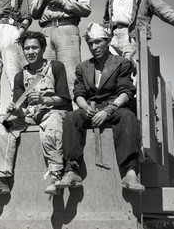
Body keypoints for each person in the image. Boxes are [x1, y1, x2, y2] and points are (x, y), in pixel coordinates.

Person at [0, 31, 72, 195]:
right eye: (27, 48)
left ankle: (56, 175)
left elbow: (64, 99)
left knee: (53, 124)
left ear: (43, 49)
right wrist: (16, 110)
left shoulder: (56, 67)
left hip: (53, 113)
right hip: (30, 116)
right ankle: (0, 178)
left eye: (34, 48)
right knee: (1, 123)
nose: (30, 52)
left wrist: (44, 100)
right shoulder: (20, 76)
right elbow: (22, 110)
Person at [55, 23, 145, 192]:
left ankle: (131, 172)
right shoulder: (83, 67)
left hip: (114, 106)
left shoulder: (122, 63)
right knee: (71, 117)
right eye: (90, 43)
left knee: (128, 117)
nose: (94, 47)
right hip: (91, 107)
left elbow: (126, 92)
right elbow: (79, 93)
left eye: (98, 42)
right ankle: (71, 170)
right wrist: (85, 106)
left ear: (108, 41)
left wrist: (108, 110)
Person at [31, 0, 91, 94]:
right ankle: (47, 111)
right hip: (45, 31)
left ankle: (73, 112)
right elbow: (34, 13)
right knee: (45, 73)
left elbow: (86, 9)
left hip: (67, 30)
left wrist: (62, 1)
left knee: (70, 73)